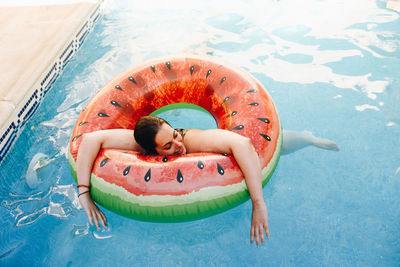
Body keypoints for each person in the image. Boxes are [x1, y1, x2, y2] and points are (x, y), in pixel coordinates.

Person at [76, 116, 339, 246]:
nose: (177, 145)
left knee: (269, 148)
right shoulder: (139, 144)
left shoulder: (190, 141)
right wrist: (83, 194)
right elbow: (89, 140)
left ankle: (309, 138)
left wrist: (258, 203)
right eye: (167, 146)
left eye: (175, 136)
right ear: (149, 151)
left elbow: (244, 143)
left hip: (226, 157)